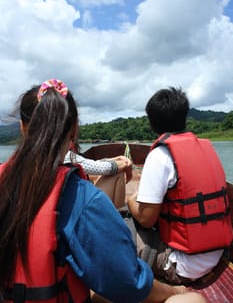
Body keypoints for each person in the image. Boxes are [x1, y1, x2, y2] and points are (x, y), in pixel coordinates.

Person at [0, 79, 207, 303]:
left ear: (22, 126)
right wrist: (177, 292)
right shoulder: (83, 199)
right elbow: (129, 283)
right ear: (75, 129)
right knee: (193, 301)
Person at [128, 87, 233, 285]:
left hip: (183, 266)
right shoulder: (206, 148)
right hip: (218, 253)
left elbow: (146, 219)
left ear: (152, 123)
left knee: (122, 228)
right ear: (184, 117)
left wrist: (129, 199)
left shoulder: (160, 156)